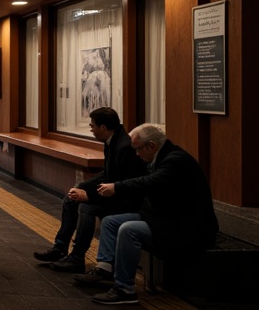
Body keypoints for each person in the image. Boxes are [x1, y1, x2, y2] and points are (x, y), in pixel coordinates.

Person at [74, 124, 218, 306]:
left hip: (184, 226)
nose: (136, 154)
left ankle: (125, 289)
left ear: (151, 146)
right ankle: (105, 269)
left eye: (138, 149)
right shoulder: (161, 157)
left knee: (128, 230)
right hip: (162, 217)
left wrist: (116, 188)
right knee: (111, 222)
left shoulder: (175, 160)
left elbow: (149, 182)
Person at [33, 107, 147, 272]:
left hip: (126, 199)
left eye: (92, 126)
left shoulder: (124, 147)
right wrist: (81, 186)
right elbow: (107, 174)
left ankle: (77, 257)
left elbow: (119, 183)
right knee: (71, 199)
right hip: (114, 191)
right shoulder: (112, 141)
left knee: (87, 207)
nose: (90, 129)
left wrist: (88, 195)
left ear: (103, 128)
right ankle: (60, 247)